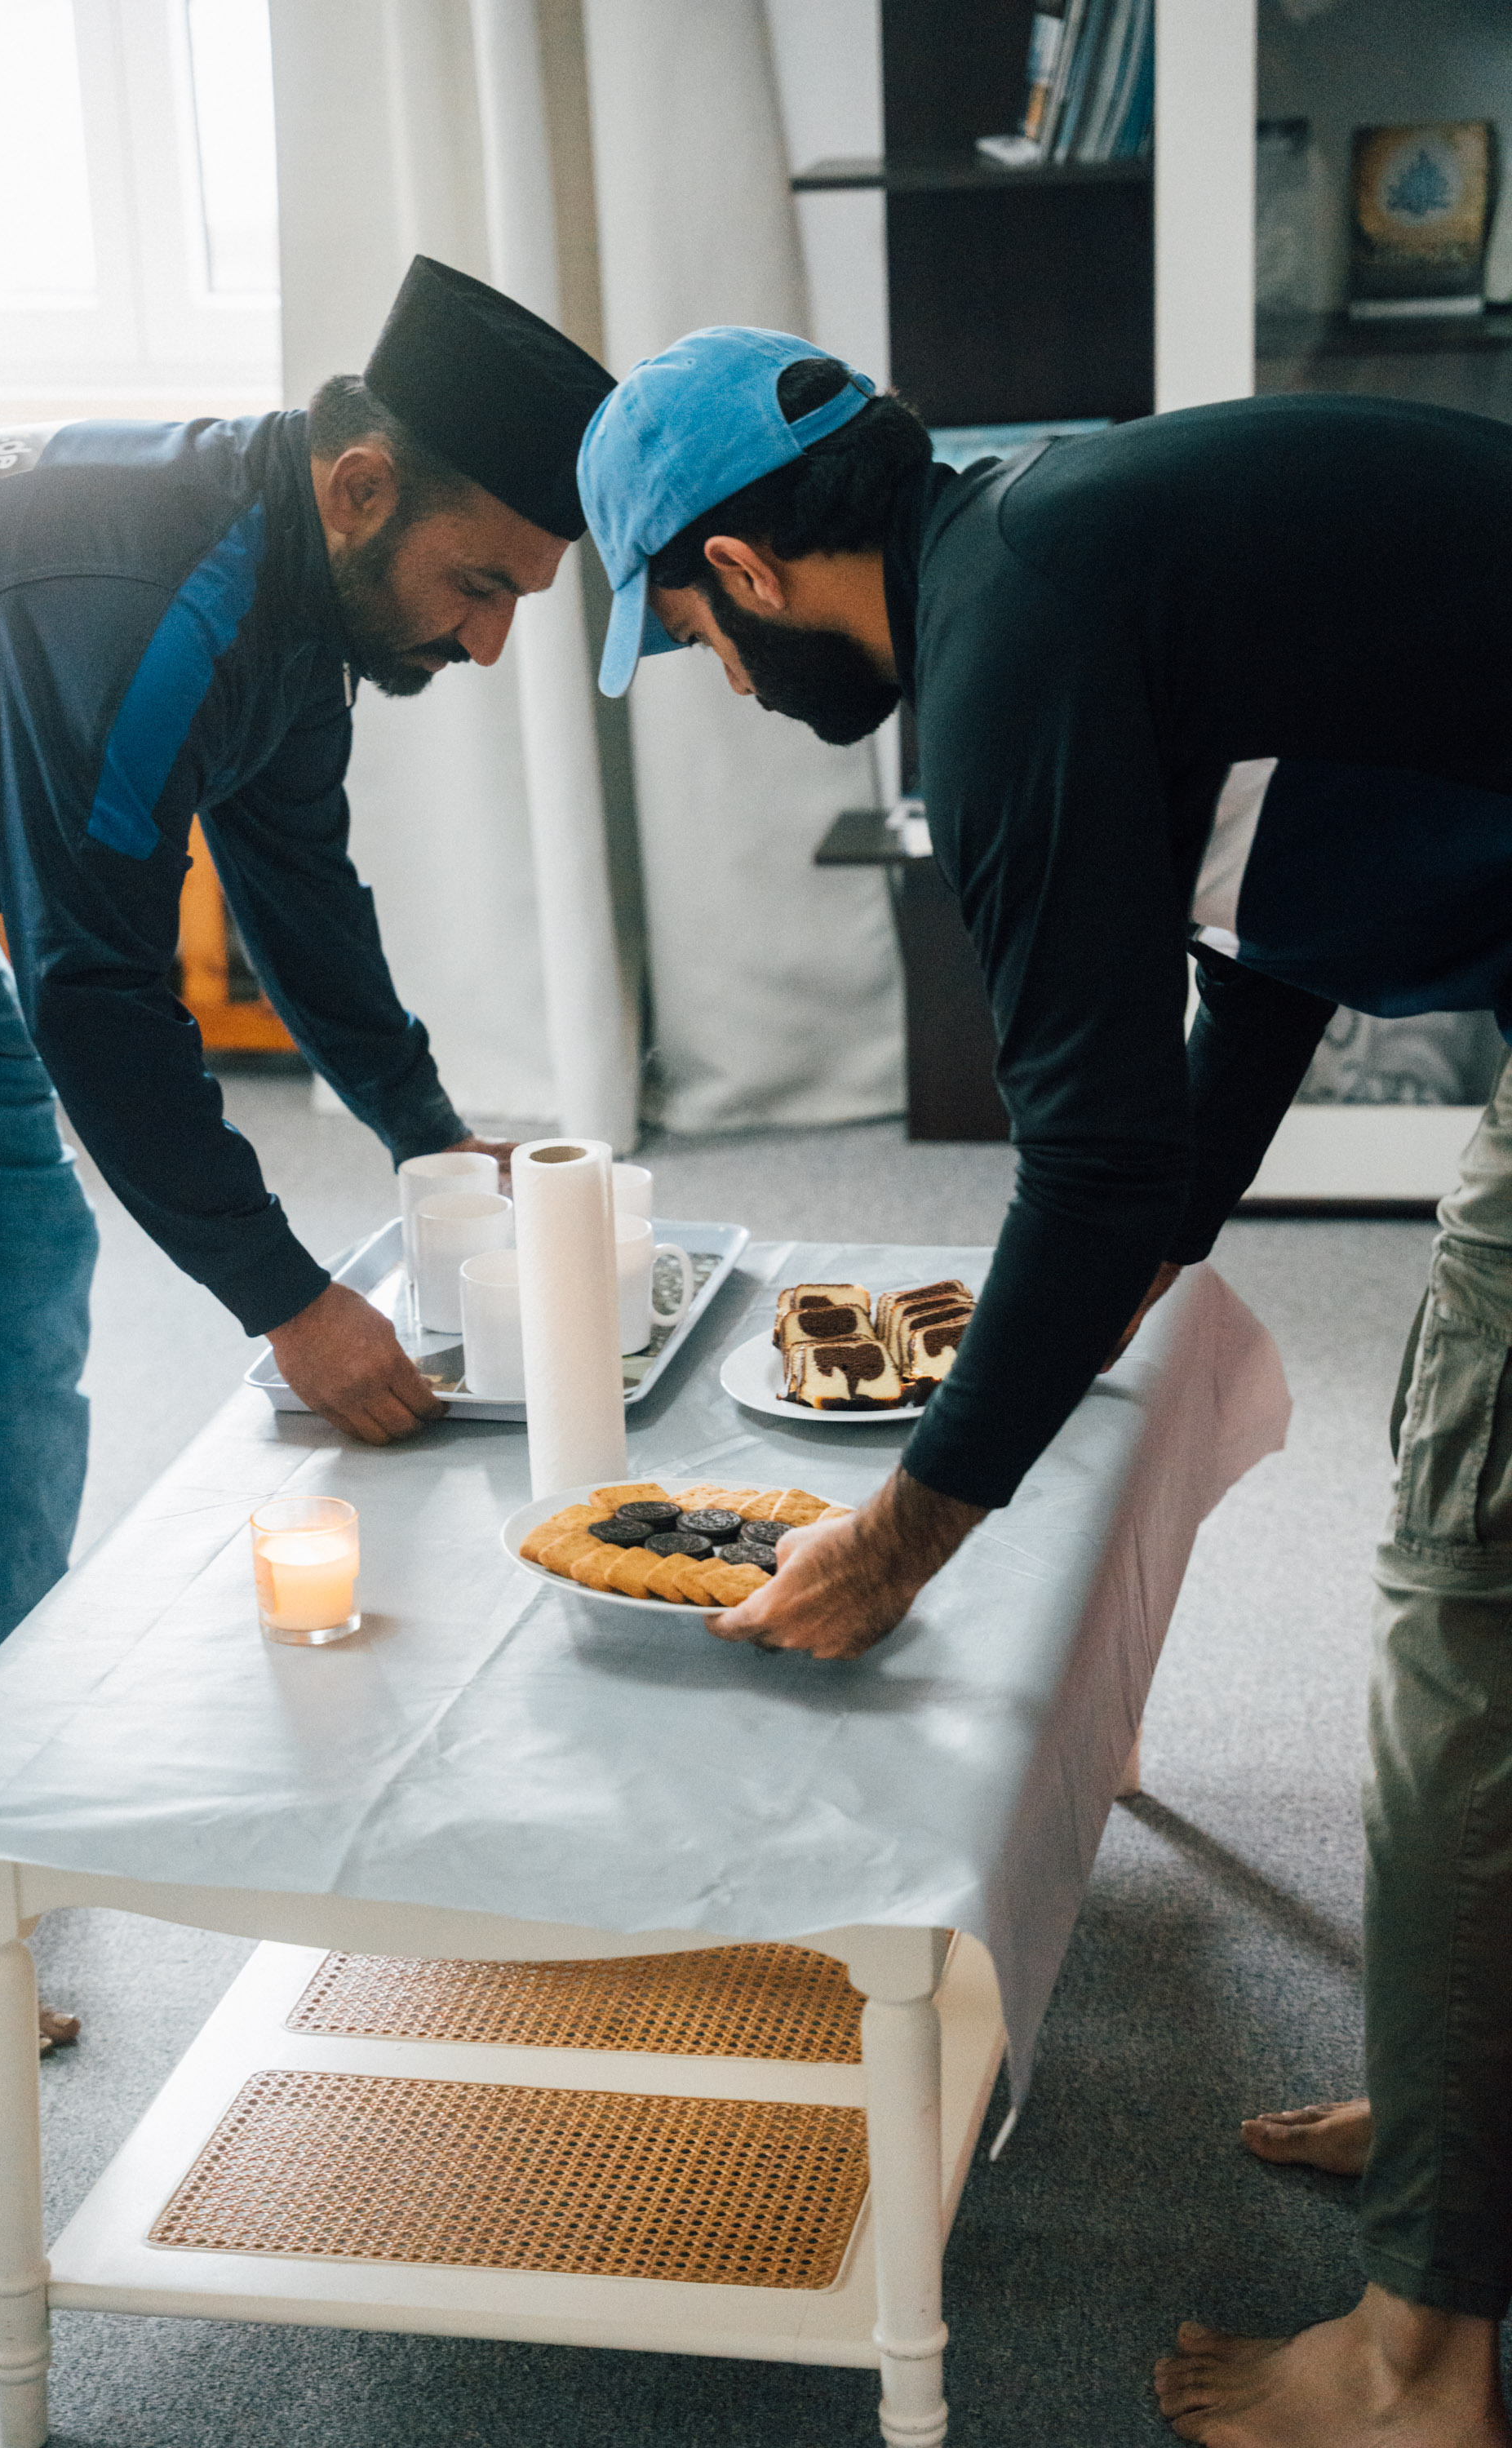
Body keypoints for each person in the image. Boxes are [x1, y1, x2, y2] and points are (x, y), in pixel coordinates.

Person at [577, 330, 1512, 2446]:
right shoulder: (1057, 528)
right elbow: (1279, 922)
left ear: (745, 562)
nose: (735, 688)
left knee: (1470, 1621)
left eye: (705, 638)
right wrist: (1166, 1249)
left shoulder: (1008, 657)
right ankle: (1483, 2123)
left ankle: (1424, 2361)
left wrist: (912, 1527)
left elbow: (1078, 1149)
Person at [0, 258, 613, 2070]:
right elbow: (98, 980)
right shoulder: (144, 592)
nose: (490, 639)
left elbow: (296, 889)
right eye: (481, 586)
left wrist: (432, 1142)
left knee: (11, 1328)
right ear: (362, 487)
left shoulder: (303, 604)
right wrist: (285, 1298)